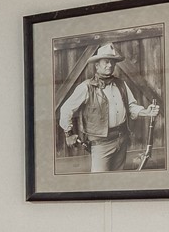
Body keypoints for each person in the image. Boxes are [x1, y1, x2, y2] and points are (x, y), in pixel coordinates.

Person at [57, 44, 162, 172]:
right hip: (100, 144)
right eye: (106, 62)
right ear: (97, 65)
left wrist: (145, 112)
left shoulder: (121, 84)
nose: (110, 65)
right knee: (100, 181)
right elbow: (66, 109)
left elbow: (130, 106)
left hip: (121, 139)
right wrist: (68, 134)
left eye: (112, 62)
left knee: (117, 178)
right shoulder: (86, 87)